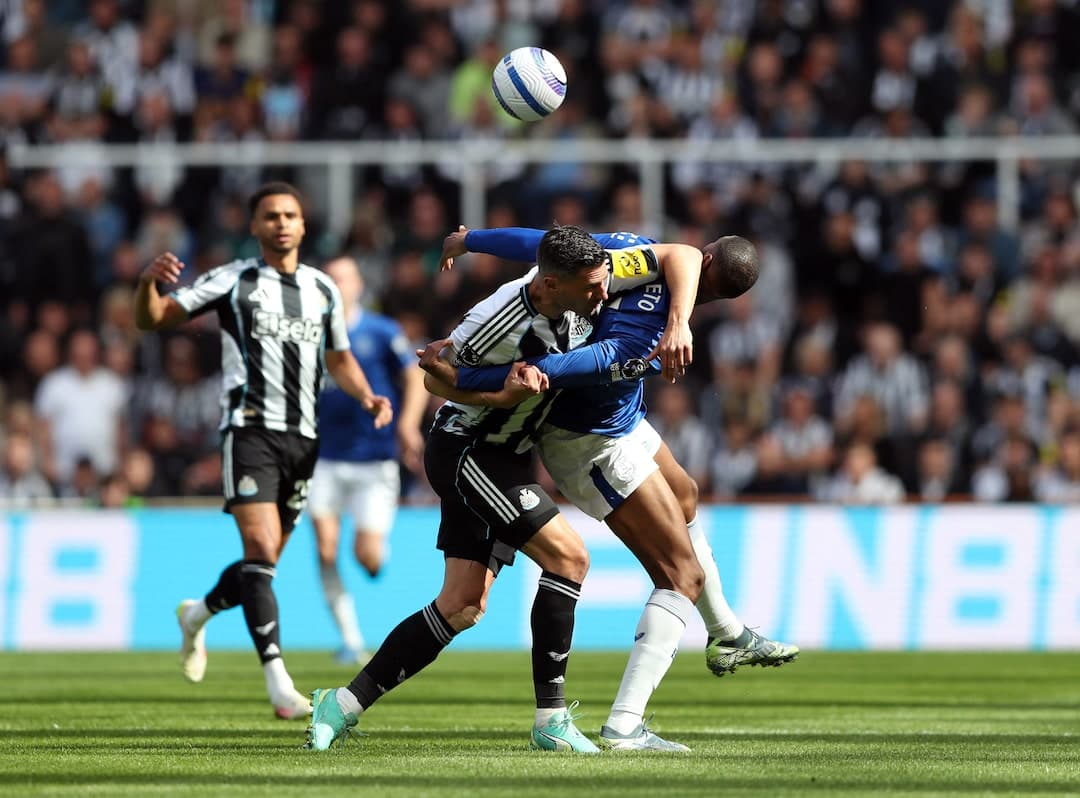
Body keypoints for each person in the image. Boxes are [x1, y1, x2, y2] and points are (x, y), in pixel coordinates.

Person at [304, 225, 703, 752]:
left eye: (603, 279)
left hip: (510, 456)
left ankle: (341, 704)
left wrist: (471, 240)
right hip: (469, 450)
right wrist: (499, 396)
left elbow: (681, 254)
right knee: (569, 559)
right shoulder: (495, 324)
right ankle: (551, 720)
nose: (602, 295)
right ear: (551, 286)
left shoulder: (596, 271)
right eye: (590, 288)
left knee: (462, 604)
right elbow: (435, 379)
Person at [421, 225, 799, 751]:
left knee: (685, 493)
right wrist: (462, 377)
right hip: (590, 443)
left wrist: (471, 240)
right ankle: (624, 725)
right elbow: (544, 369)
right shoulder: (638, 332)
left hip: (623, 420)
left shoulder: (627, 256)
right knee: (681, 574)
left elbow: (547, 242)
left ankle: (727, 633)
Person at [133, 182, 393, 719]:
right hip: (249, 431)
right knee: (259, 546)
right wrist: (145, 286)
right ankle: (278, 682)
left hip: (304, 439)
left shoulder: (323, 289)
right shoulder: (233, 280)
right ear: (254, 226)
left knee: (264, 562)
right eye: (270, 216)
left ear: (302, 225)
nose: (280, 223)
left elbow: (339, 358)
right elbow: (154, 319)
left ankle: (197, 614)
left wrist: (367, 395)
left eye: (290, 215)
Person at [309, 255, 427, 665]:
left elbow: (415, 377)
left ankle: (377, 554)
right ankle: (350, 638)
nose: (336, 286)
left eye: (343, 278)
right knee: (325, 550)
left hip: (374, 460)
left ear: (358, 285)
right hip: (322, 457)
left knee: (367, 556)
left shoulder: (380, 331)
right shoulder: (310, 332)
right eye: (330, 279)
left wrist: (408, 426)